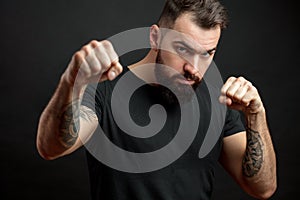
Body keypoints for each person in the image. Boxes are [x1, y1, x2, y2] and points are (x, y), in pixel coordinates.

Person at [36, 0, 277, 199]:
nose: (194, 68)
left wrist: (256, 115)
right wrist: (72, 81)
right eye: (183, 49)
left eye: (207, 54)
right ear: (155, 37)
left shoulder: (217, 100)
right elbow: (51, 148)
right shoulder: (105, 90)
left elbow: (262, 188)